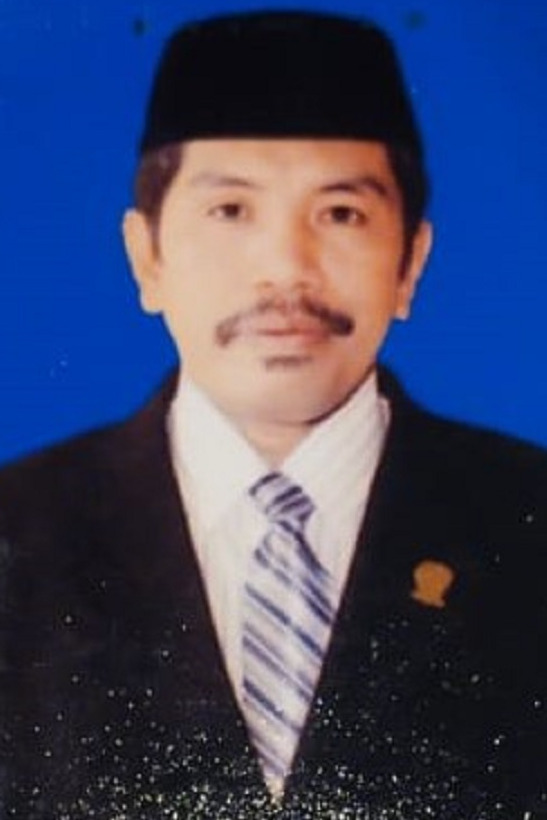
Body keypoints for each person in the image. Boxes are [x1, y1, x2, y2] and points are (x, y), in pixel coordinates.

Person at [1, 9, 546, 819]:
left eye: (340, 213)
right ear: (147, 257)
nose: (286, 269)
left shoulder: (528, 522)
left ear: (410, 263)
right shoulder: (18, 534)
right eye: (231, 210)